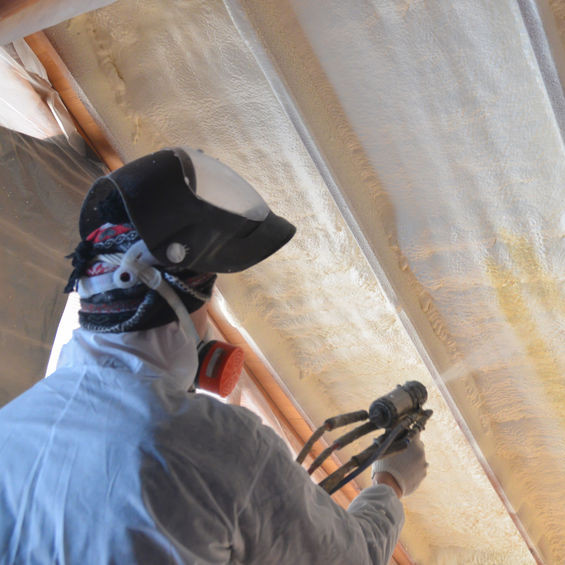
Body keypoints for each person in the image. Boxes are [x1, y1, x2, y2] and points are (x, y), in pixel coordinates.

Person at [0, 147, 428, 564]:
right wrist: (391, 483)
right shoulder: (221, 445)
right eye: (211, 298)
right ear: (179, 302)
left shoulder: (13, 425)